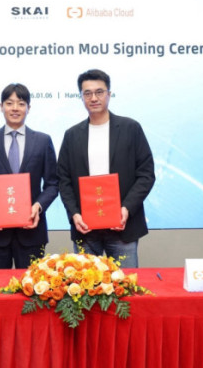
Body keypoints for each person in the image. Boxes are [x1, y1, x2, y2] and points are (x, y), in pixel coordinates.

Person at [57, 69, 155, 268]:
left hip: (123, 227)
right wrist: (74, 214)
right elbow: (63, 179)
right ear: (81, 97)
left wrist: (126, 208)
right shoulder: (72, 135)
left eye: (99, 92)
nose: (94, 98)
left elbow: (146, 174)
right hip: (85, 228)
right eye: (87, 93)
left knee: (125, 284)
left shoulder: (131, 128)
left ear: (109, 94)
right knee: (85, 285)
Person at [0, 83, 59, 269]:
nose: (15, 108)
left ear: (29, 108)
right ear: (1, 106)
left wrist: (38, 206)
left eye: (21, 103)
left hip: (32, 232)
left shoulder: (43, 141)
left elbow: (52, 184)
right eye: (9, 103)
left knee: (31, 286)